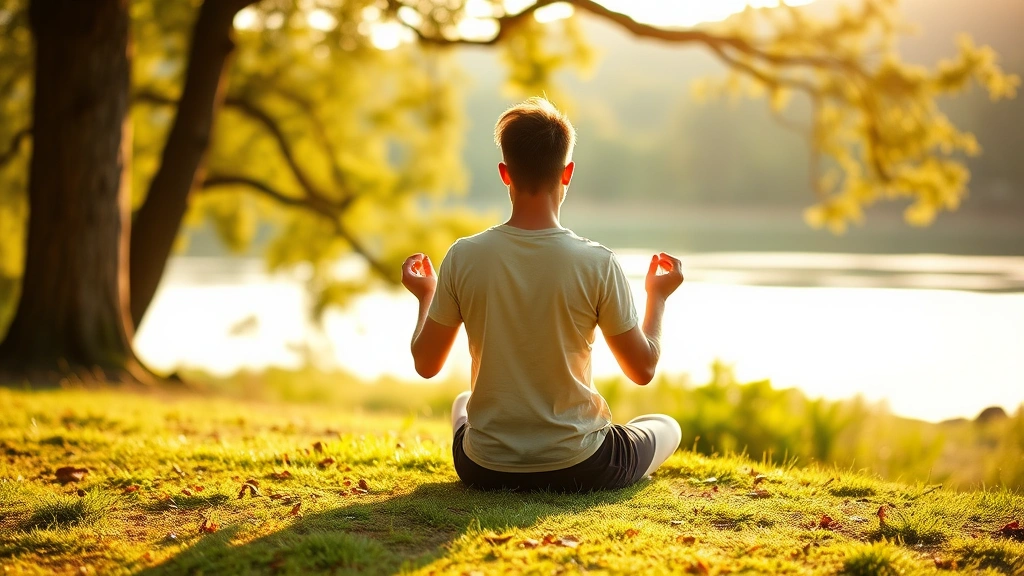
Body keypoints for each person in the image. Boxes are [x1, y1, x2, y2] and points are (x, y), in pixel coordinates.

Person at [401, 97, 684, 492]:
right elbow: (643, 369)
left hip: (485, 469)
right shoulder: (597, 262)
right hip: (581, 465)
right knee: (666, 426)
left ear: (505, 173)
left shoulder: (463, 256)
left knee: (463, 403)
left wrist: (425, 296)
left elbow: (426, 363)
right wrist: (658, 297)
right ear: (567, 173)